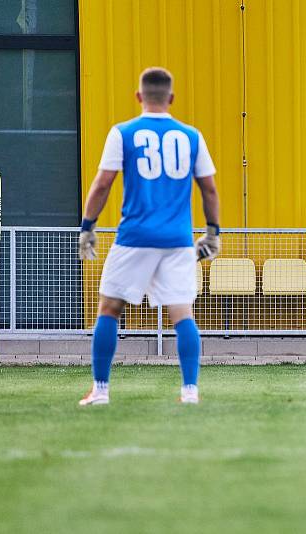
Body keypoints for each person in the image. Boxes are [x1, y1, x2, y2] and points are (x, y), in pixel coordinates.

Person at [77, 67, 221, 405]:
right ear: (171, 99)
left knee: (110, 308)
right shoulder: (191, 136)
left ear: (139, 97)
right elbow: (209, 189)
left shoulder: (122, 133)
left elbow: (102, 184)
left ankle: (100, 389)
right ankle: (190, 391)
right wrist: (213, 232)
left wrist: (88, 226)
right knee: (182, 313)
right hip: (178, 239)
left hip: (134, 236)